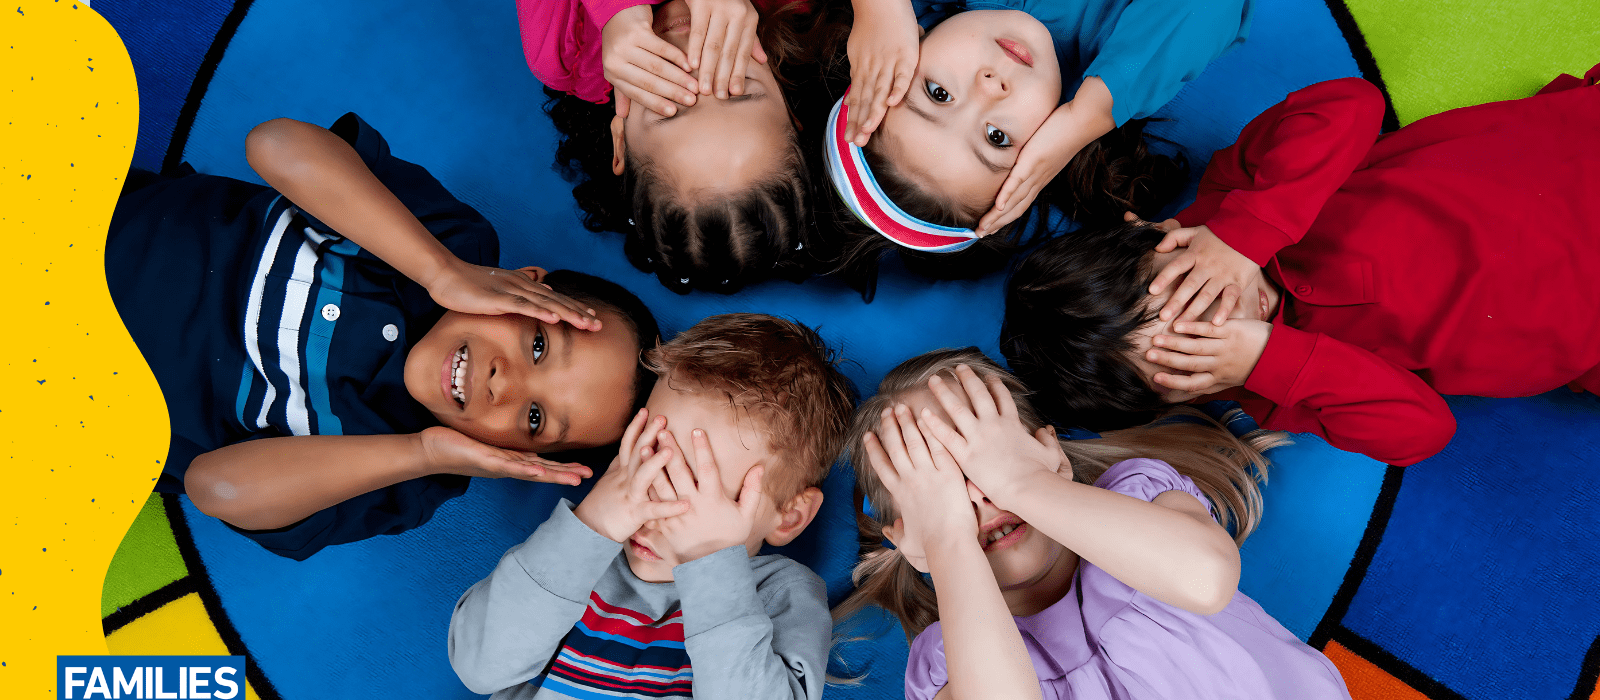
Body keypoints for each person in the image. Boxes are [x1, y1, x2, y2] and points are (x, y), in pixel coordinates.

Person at [839, 348, 1440, 700]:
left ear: (1050, 454)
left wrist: (1019, 482)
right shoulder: (947, 662)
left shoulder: (1138, 499)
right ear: (908, 542)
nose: (978, 497)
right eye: (942, 487)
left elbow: (1204, 578)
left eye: (983, 461)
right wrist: (948, 539)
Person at [105, 113, 660, 559]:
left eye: (535, 420)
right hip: (87, 222)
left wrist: (418, 453)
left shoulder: (407, 482)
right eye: (537, 345)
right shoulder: (451, 239)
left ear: (514, 456)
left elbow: (213, 487)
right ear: (524, 286)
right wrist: (438, 269)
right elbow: (273, 144)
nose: (505, 384)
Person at [1003, 69, 1600, 465]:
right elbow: (1424, 430)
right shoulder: (1283, 392)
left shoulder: (1237, 196)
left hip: (1572, 157)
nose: (1227, 312)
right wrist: (1272, 358)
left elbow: (1350, 103)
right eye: (1193, 351)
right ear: (1184, 397)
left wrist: (1242, 235)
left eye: (1190, 290)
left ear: (1156, 233)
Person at [441, 314, 857, 700]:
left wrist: (711, 563)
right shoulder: (578, 555)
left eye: (697, 487)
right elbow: (478, 664)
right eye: (648, 456)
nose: (655, 502)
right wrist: (594, 523)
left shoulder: (780, 593)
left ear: (790, 516)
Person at [820, 0, 1246, 291]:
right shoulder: (1125, 67)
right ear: (1041, 161)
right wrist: (1089, 113)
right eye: (996, 138)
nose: (990, 88)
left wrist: (878, 10)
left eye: (938, 93)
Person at [527, 0, 823, 293]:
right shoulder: (788, 6)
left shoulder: (564, 52)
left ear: (621, 142)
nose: (695, 62)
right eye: (738, 88)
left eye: (671, 105)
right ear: (789, 107)